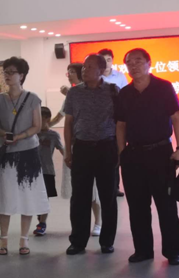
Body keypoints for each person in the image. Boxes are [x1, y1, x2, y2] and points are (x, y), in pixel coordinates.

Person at [116, 48, 179, 266]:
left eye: (138, 61)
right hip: (133, 155)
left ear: (149, 63)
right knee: (137, 207)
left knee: (166, 205)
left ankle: (173, 251)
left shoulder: (164, 87)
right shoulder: (124, 93)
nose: (133, 66)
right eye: (129, 63)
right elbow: (121, 125)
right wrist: (122, 153)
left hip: (160, 153)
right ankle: (143, 250)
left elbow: (176, 118)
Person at [0, 57, 48, 256]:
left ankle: (24, 239)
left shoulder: (32, 98)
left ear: (21, 75)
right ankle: (3, 239)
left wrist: (19, 136)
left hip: (28, 153)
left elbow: (37, 126)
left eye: (11, 72)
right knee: (6, 195)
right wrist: (6, 135)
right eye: (5, 72)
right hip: (7, 154)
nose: (7, 75)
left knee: (27, 195)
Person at [64, 54, 118, 255]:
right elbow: (68, 123)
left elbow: (122, 122)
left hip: (107, 148)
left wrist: (120, 150)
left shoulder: (113, 91)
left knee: (108, 196)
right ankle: (78, 241)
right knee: (80, 197)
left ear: (101, 70)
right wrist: (68, 151)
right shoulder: (74, 92)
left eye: (89, 67)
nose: (84, 70)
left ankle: (107, 241)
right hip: (82, 148)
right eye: (84, 67)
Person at [50, 62, 102, 236]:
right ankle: (80, 226)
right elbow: (62, 117)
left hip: (92, 145)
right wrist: (44, 126)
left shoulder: (96, 92)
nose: (69, 74)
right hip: (75, 144)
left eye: (72, 71)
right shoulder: (72, 94)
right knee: (79, 189)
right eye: (68, 72)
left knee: (94, 188)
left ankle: (98, 222)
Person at [99, 49, 127, 198]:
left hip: (116, 121)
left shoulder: (120, 77)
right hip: (99, 122)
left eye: (109, 59)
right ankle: (103, 186)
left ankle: (115, 187)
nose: (106, 63)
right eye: (103, 60)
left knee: (116, 154)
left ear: (112, 60)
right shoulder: (95, 78)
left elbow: (126, 96)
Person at [33, 107, 64, 236]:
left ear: (47, 119)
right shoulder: (32, 134)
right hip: (32, 171)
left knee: (44, 197)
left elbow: (62, 150)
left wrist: (71, 160)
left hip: (47, 170)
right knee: (36, 197)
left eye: (40, 118)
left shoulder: (53, 135)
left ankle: (42, 223)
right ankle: (40, 216)